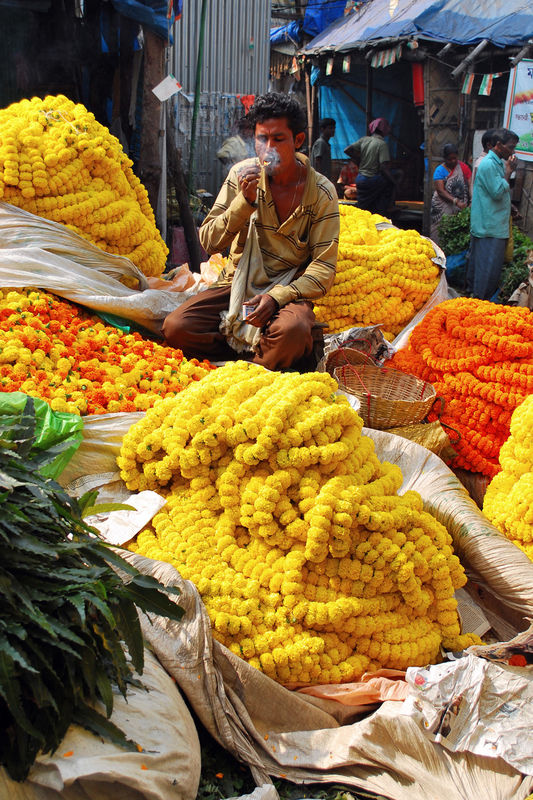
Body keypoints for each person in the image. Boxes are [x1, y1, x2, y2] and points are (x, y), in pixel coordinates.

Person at [163, 92, 340, 371]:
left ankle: (254, 361)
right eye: (261, 139)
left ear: (298, 141)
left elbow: (324, 269)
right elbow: (209, 241)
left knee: (292, 331)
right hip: (236, 284)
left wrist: (275, 297)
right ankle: (255, 359)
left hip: (287, 291)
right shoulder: (241, 176)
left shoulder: (321, 192)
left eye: (278, 139)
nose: (268, 148)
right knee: (176, 327)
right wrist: (243, 204)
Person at [466, 128, 519, 301]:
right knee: (486, 271)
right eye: (510, 147)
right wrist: (509, 171)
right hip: (489, 226)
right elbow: (497, 192)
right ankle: (480, 303)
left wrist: (509, 206)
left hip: (494, 225)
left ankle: (480, 300)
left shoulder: (497, 163)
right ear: (498, 145)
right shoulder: (489, 164)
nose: (512, 152)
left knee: (490, 269)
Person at [344, 118, 397, 216]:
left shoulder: (364, 140)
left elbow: (347, 150)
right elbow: (383, 167)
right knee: (391, 182)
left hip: (360, 179)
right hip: (372, 180)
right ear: (383, 129)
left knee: (363, 208)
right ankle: (390, 207)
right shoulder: (382, 144)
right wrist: (393, 181)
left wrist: (358, 159)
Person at [430, 143, 471, 245]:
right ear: (444, 158)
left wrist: (471, 200)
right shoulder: (439, 171)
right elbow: (440, 191)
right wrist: (455, 201)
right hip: (443, 205)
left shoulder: (463, 167)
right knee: (440, 232)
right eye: (449, 159)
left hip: (461, 206)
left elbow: (471, 184)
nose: (453, 161)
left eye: (454, 158)